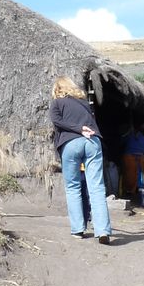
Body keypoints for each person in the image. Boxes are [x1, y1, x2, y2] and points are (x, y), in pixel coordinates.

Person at [50, 76, 112, 244]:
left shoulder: (57, 103)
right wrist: (83, 129)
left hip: (70, 143)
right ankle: (102, 230)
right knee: (97, 187)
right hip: (93, 142)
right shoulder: (84, 103)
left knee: (73, 187)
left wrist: (78, 129)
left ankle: (78, 229)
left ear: (57, 89)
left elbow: (56, 120)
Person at [121, 122, 144, 207]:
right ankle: (143, 202)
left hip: (129, 158)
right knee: (141, 180)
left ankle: (127, 200)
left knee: (128, 179)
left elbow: (121, 143)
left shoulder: (129, 137)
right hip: (141, 159)